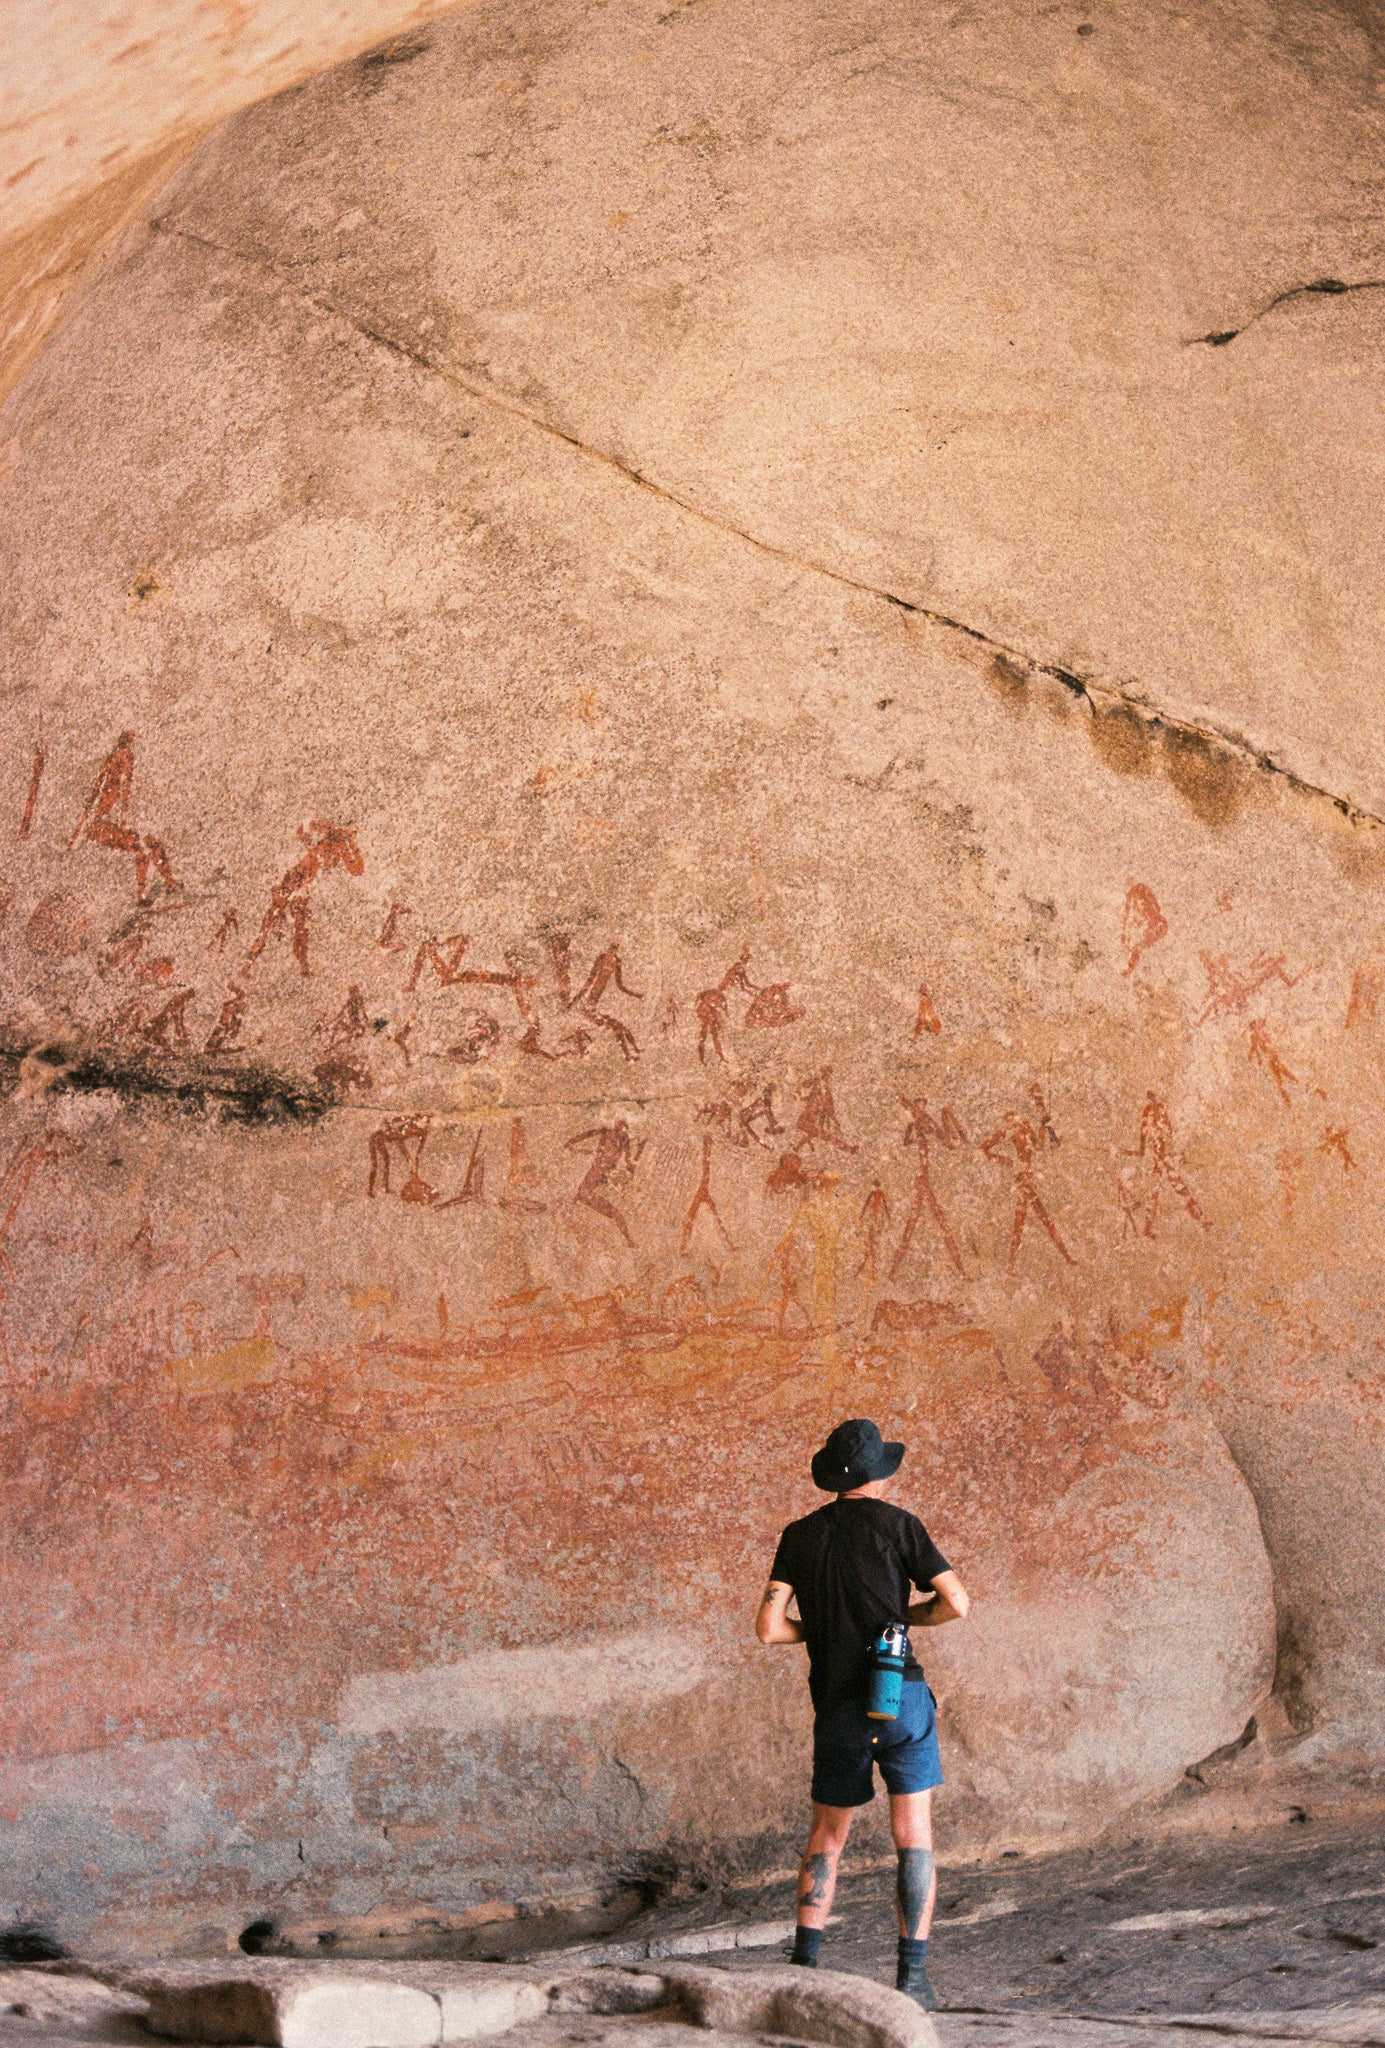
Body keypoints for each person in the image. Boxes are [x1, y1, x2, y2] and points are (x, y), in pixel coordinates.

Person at [756, 1418, 970, 2009]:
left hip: (838, 1706)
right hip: (899, 1695)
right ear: (880, 1471)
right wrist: (909, 1622)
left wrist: (822, 1629)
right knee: (913, 1836)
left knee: (828, 1835)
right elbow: (957, 1602)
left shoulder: (798, 1535)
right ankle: (913, 1978)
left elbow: (769, 1630)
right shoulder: (901, 1526)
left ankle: (804, 1965)